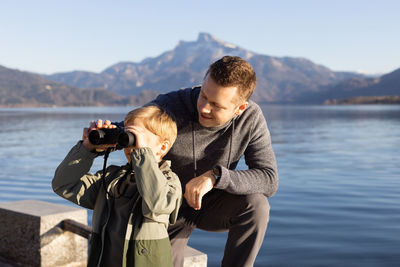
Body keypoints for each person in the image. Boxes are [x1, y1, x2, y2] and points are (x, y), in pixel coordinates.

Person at [96, 55, 278, 267]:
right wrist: (101, 137)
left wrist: (215, 177)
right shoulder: (171, 105)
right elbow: (130, 129)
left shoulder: (251, 118)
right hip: (163, 205)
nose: (204, 108)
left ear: (239, 109)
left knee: (256, 206)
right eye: (203, 96)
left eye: (216, 105)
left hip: (207, 202)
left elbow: (269, 179)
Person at [52, 106, 182, 267]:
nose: (128, 146)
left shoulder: (170, 182)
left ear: (162, 147)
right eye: (126, 136)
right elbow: (63, 184)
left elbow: (156, 204)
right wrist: (87, 149)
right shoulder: (111, 178)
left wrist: (142, 154)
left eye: (134, 138)